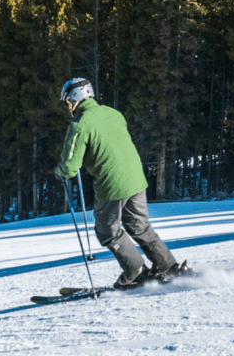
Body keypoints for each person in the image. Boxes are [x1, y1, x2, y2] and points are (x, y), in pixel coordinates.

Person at [53, 77, 189, 289]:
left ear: (74, 99)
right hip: (136, 178)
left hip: (112, 183)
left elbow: (70, 166)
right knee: (140, 227)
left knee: (107, 230)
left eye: (66, 102)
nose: (66, 107)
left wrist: (60, 171)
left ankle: (135, 272)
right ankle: (168, 266)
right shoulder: (112, 113)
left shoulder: (80, 124)